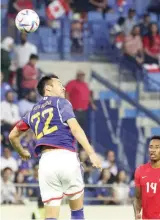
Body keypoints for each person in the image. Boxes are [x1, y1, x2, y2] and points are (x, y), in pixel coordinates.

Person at [8, 74, 102, 220]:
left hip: (45, 163)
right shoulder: (61, 103)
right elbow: (75, 129)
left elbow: (12, 135)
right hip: (66, 157)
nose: (63, 87)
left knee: (50, 217)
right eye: (59, 84)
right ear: (48, 88)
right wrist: (91, 153)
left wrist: (22, 151)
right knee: (77, 212)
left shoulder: (32, 111)